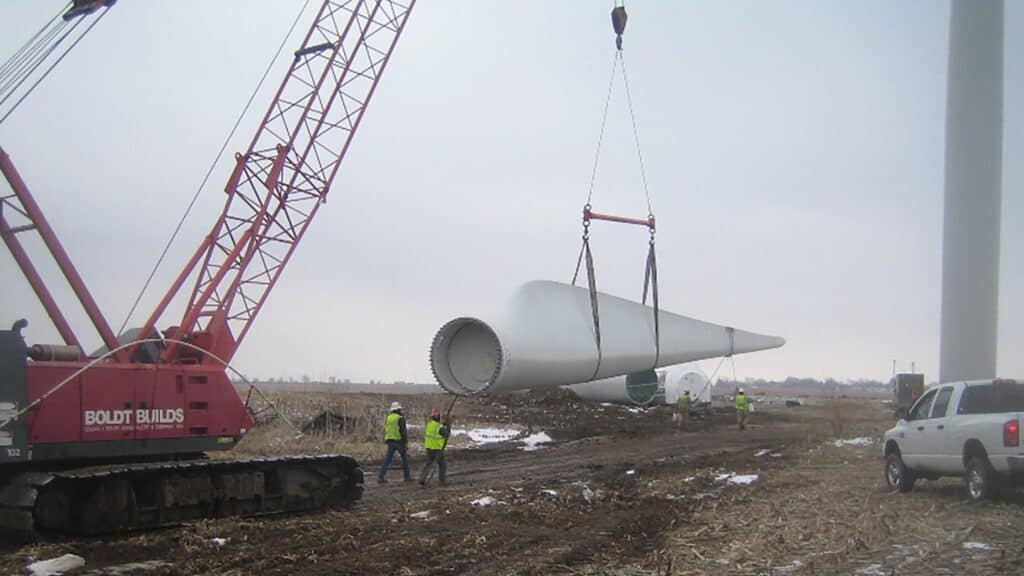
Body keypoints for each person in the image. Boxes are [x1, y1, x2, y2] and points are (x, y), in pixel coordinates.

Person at [377, 401, 411, 483]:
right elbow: (403, 431)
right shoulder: (400, 418)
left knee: (387, 459)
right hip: (398, 441)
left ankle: (381, 476)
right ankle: (407, 477)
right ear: (398, 409)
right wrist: (405, 442)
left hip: (390, 440)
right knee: (405, 458)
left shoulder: (389, 418)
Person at [418, 407, 452, 487]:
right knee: (442, 464)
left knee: (428, 463)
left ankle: (422, 478)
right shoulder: (439, 427)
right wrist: (448, 426)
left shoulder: (429, 425)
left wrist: (443, 425)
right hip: (437, 449)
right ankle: (442, 481)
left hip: (429, 447)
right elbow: (446, 434)